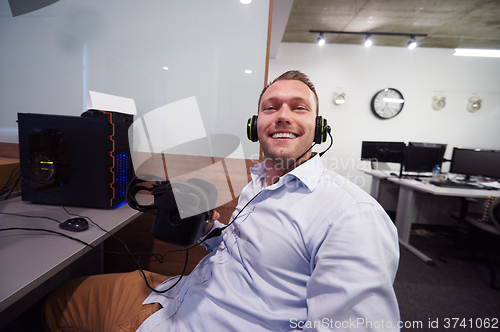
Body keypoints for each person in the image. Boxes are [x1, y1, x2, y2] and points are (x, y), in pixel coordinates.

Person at [43, 70, 400, 331]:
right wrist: (212, 229)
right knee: (60, 299)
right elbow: (250, 255)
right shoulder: (258, 181)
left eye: (299, 108)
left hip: (192, 322)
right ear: (255, 125)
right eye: (271, 107)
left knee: (58, 311)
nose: (283, 116)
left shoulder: (351, 215)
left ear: (319, 127)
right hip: (172, 297)